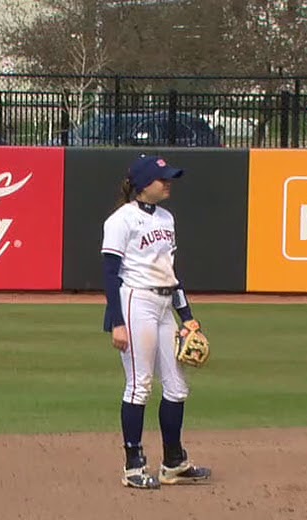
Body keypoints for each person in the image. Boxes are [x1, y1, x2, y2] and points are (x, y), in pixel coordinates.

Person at [101, 154, 212, 490]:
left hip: (165, 303)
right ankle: (133, 466)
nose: (168, 183)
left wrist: (188, 316)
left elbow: (171, 273)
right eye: (162, 178)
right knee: (139, 384)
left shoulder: (166, 218)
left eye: (169, 178)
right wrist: (116, 322)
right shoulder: (121, 220)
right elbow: (109, 273)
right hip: (136, 302)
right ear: (142, 184)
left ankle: (173, 462)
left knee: (177, 386)